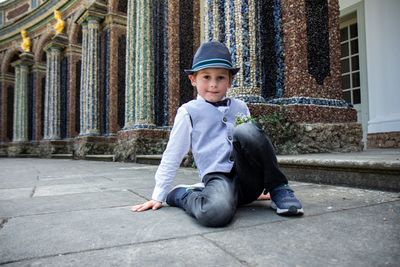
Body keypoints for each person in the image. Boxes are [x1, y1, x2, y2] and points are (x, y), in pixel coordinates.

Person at [131, 41, 303, 227]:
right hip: (218, 178)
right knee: (214, 214)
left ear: (229, 81)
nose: (213, 84)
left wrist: (261, 184)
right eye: (206, 77)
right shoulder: (188, 111)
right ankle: (184, 194)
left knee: (247, 130)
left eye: (220, 77)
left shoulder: (241, 107)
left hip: (249, 178)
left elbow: (254, 146)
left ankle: (278, 188)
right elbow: (173, 153)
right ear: (193, 80)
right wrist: (159, 194)